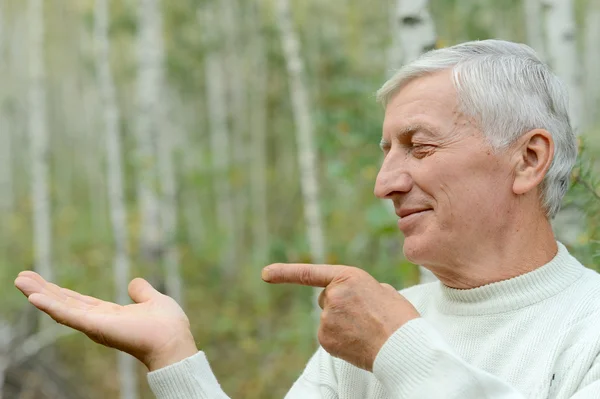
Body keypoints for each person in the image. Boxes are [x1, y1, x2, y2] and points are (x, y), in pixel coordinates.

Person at [14, 39, 600, 399]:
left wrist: (398, 352)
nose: (385, 183)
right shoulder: (389, 322)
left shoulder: (584, 330)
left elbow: (400, 349)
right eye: (386, 152)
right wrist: (175, 360)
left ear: (528, 159)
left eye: (419, 148)